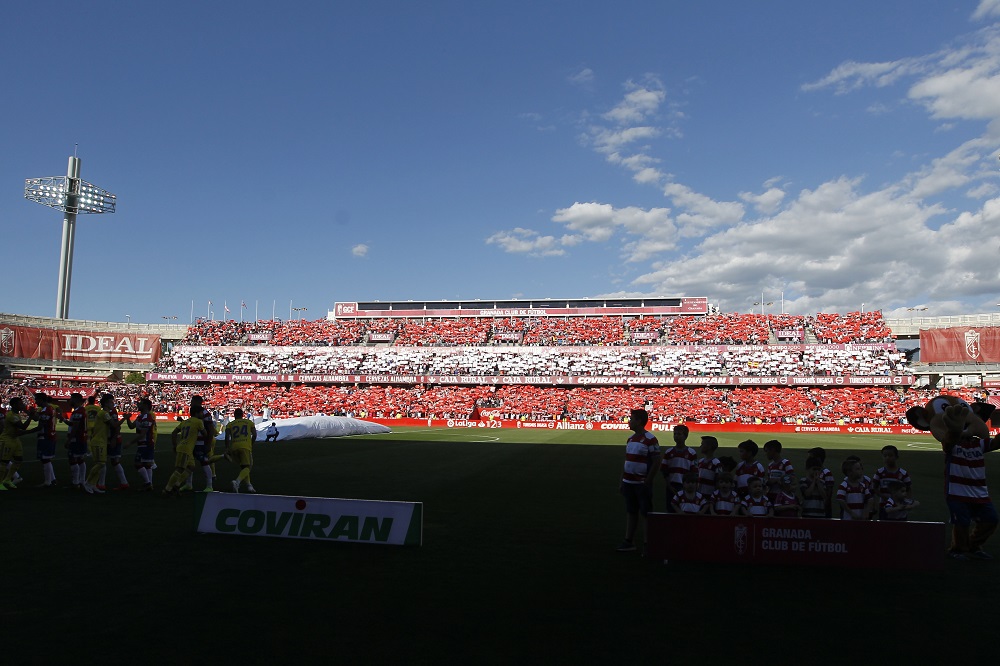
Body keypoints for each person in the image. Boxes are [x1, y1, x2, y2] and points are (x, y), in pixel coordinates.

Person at [617, 408, 661, 553]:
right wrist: (622, 480)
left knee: (645, 512)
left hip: (641, 483)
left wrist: (648, 481)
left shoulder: (650, 439)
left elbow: (656, 461)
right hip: (628, 482)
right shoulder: (630, 439)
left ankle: (648, 543)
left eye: (631, 419)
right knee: (631, 511)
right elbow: (627, 461)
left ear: (639, 421)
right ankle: (628, 541)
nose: (629, 421)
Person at [163, 405, 206, 496]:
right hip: (186, 448)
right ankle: (167, 489)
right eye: (201, 412)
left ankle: (176, 485)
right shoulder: (198, 422)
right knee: (180, 469)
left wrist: (175, 445)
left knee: (191, 467)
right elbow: (205, 434)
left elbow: (174, 432)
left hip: (185, 448)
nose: (203, 414)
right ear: (197, 413)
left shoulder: (185, 422)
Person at [0, 397, 37, 490]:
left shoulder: (16, 414)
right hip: (7, 439)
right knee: (4, 462)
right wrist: (30, 417)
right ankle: (0, 483)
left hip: (15, 439)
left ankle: (7, 479)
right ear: (14, 405)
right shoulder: (11, 415)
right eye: (20, 404)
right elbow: (23, 427)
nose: (22, 405)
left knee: (18, 459)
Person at [661, 424, 696, 510]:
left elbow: (693, 471)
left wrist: (689, 485)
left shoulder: (691, 453)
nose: (676, 436)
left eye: (679, 434)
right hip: (671, 485)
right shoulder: (668, 452)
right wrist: (669, 485)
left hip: (685, 485)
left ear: (685, 436)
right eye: (675, 434)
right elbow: (664, 470)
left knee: (684, 508)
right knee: (670, 508)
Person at [124, 398, 157, 491]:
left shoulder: (147, 417)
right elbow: (131, 426)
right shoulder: (140, 416)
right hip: (143, 444)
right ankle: (149, 484)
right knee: (147, 465)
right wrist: (127, 418)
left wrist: (130, 442)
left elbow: (143, 434)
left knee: (138, 464)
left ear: (145, 405)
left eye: (141, 403)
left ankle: (147, 483)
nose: (138, 405)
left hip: (146, 444)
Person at [871, 445, 912, 519]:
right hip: (884, 505)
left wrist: (907, 501)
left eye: (890, 455)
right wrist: (883, 496)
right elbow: (874, 487)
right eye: (885, 456)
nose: (887, 458)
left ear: (896, 457)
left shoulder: (903, 473)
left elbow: (908, 488)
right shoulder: (880, 472)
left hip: (899, 506)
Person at [225, 408, 258, 493]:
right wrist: (251, 443)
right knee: (248, 467)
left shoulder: (230, 424)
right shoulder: (249, 422)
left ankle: (249, 486)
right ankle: (237, 482)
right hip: (245, 446)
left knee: (244, 467)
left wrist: (227, 448)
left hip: (234, 447)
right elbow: (254, 434)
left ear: (234, 415)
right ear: (242, 415)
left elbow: (227, 437)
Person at [102, 394, 130, 491]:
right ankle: (123, 482)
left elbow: (116, 426)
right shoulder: (106, 412)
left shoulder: (112, 411)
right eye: (111, 401)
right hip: (109, 439)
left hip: (111, 439)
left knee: (106, 461)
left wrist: (113, 438)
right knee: (110, 461)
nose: (113, 403)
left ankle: (101, 483)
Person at [82, 395, 109, 494]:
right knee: (100, 463)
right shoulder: (99, 410)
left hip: (90, 428)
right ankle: (88, 482)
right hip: (98, 437)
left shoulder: (86, 408)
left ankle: (92, 484)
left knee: (89, 439)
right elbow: (112, 425)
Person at [34, 393, 60, 487]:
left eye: (37, 400)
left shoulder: (46, 410)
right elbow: (36, 418)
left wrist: (24, 432)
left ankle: (48, 481)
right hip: (49, 435)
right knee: (46, 459)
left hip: (46, 436)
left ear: (41, 400)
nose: (36, 402)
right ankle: (52, 479)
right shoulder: (49, 409)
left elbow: (40, 426)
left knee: (45, 459)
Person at [65, 393, 89, 490]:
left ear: (76, 400)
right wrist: (63, 419)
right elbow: (73, 424)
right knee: (80, 459)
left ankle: (76, 482)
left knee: (73, 459)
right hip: (81, 438)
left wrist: (69, 439)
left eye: (71, 399)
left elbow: (75, 427)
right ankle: (81, 481)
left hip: (77, 439)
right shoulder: (81, 410)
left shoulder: (78, 411)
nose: (70, 401)